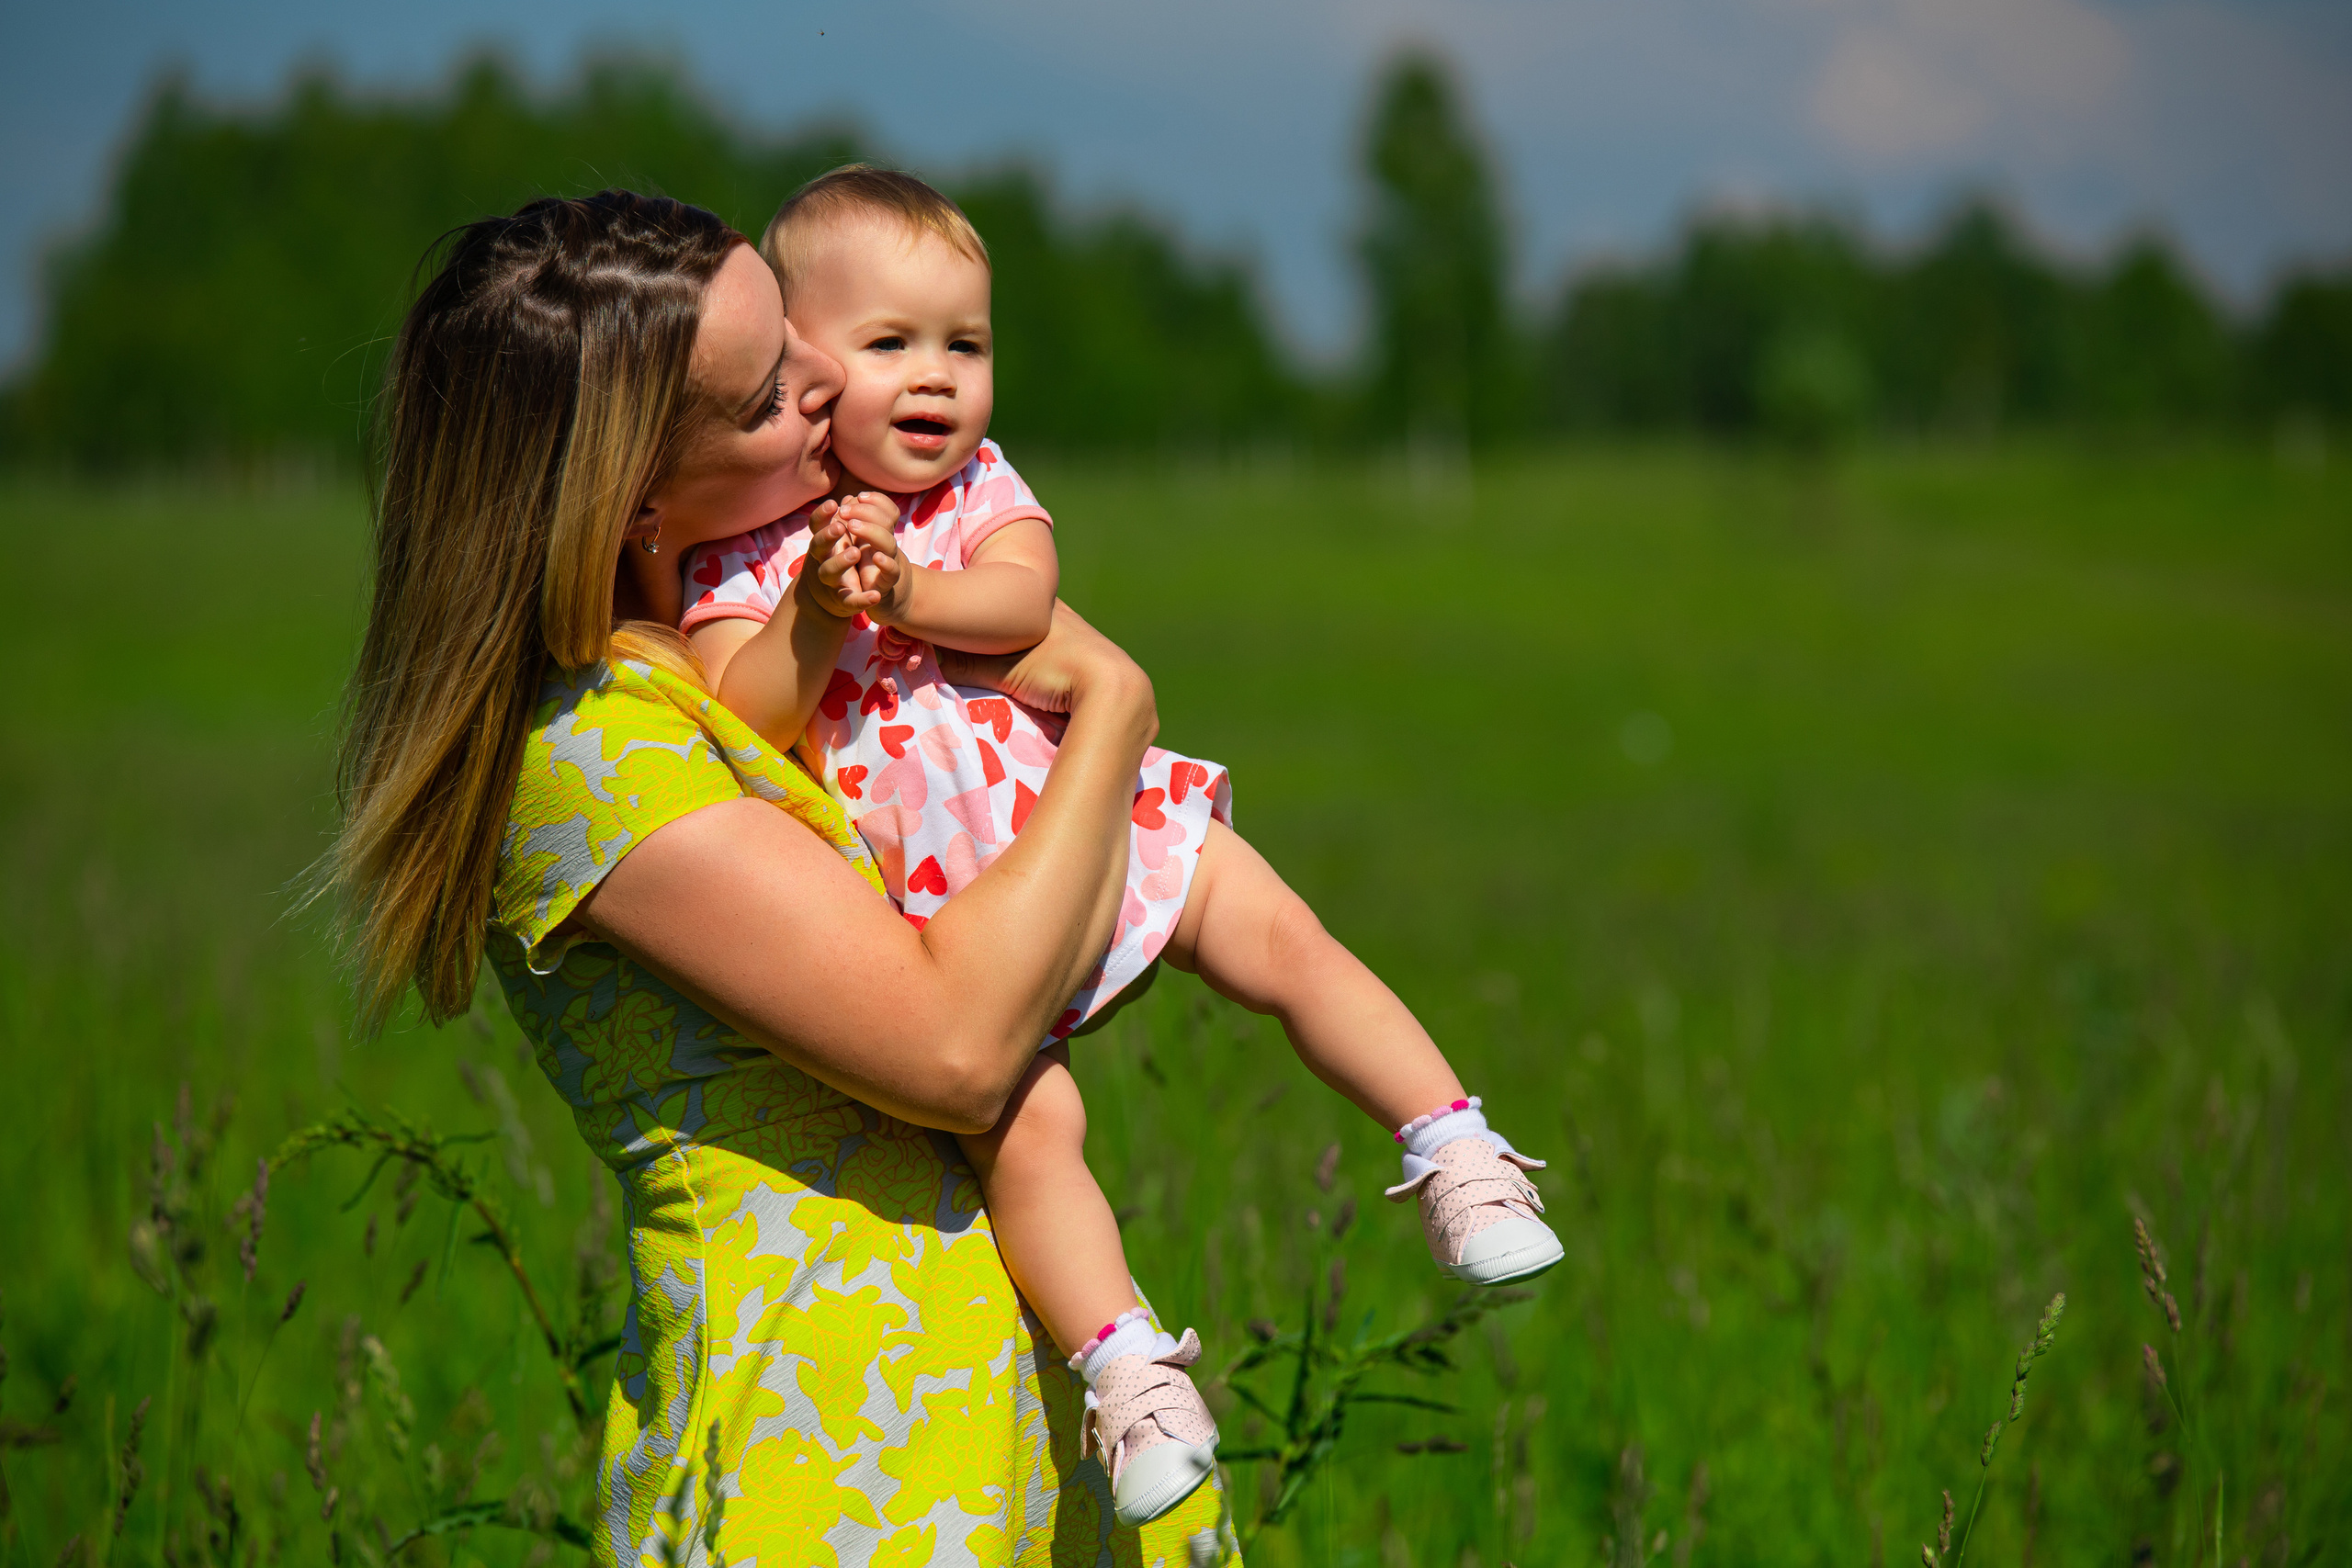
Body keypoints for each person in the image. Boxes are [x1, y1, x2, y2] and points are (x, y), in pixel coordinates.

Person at [322, 188, 1232, 1563]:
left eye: (797, 340)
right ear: (630, 498)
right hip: (820, 1468)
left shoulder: (753, 663)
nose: (831, 382)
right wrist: (1111, 708)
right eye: (766, 395)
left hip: (968, 1439)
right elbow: (957, 1046)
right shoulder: (590, 756)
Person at [676, 167, 1564, 1525]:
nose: (937, 378)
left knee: (1284, 939)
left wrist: (906, 588)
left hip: (1093, 809)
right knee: (1034, 1132)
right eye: (889, 345)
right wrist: (815, 609)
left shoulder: (976, 489)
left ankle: (1453, 1149)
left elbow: (1025, 597)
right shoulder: (748, 550)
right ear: (801, 373)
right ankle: (1128, 1373)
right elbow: (742, 712)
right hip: (952, 904)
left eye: (964, 345)